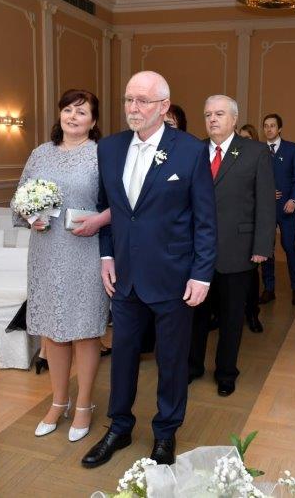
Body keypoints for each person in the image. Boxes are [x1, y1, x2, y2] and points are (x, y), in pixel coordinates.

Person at [82, 71, 216, 468]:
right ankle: (119, 427)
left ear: (163, 106)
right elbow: (108, 208)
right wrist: (106, 256)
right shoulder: (109, 148)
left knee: (171, 360)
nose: (133, 108)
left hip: (174, 276)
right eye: (129, 99)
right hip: (124, 277)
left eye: (142, 101)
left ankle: (165, 433)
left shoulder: (190, 150)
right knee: (122, 355)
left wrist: (201, 274)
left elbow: (205, 220)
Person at [14, 89, 111, 443]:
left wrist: (98, 221)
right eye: (68, 110)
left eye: (81, 112)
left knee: (84, 331)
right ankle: (58, 402)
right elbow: (19, 197)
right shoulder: (41, 153)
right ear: (60, 115)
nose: (73, 116)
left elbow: (120, 204)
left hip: (85, 250)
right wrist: (31, 216)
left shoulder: (102, 155)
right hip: (45, 251)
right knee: (53, 331)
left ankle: (83, 404)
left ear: (93, 120)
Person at [188, 96, 275, 396]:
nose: (212, 119)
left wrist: (262, 246)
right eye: (207, 114)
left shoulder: (255, 152)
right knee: (195, 315)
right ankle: (192, 366)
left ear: (234, 119)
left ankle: (226, 372)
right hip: (196, 252)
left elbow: (266, 203)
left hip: (237, 249)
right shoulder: (195, 150)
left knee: (231, 318)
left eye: (219, 114)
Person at [259, 114, 295, 306]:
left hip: (287, 209)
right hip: (266, 209)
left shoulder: (293, 149)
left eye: (272, 126)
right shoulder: (259, 150)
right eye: (266, 126)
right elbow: (252, 178)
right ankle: (269, 289)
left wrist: (293, 200)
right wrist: (266, 192)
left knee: (290, 246)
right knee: (266, 249)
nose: (269, 129)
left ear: (279, 129)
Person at [238, 123, 263, 332]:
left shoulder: (259, 157)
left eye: (247, 138)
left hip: (250, 230)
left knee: (251, 277)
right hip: (232, 230)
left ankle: (253, 313)